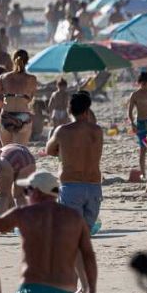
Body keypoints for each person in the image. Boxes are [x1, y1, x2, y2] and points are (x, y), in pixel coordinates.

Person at [46, 90, 104, 235]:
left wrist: (63, 153)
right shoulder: (97, 131)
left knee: (71, 233)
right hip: (93, 187)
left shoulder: (62, 131)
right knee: (85, 233)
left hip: (71, 186)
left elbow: (49, 150)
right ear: (87, 110)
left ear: (70, 110)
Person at [125, 72, 147, 174]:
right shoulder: (135, 95)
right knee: (143, 148)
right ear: (139, 83)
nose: (145, 86)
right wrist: (132, 123)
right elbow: (130, 111)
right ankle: (143, 173)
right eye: (143, 83)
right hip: (140, 123)